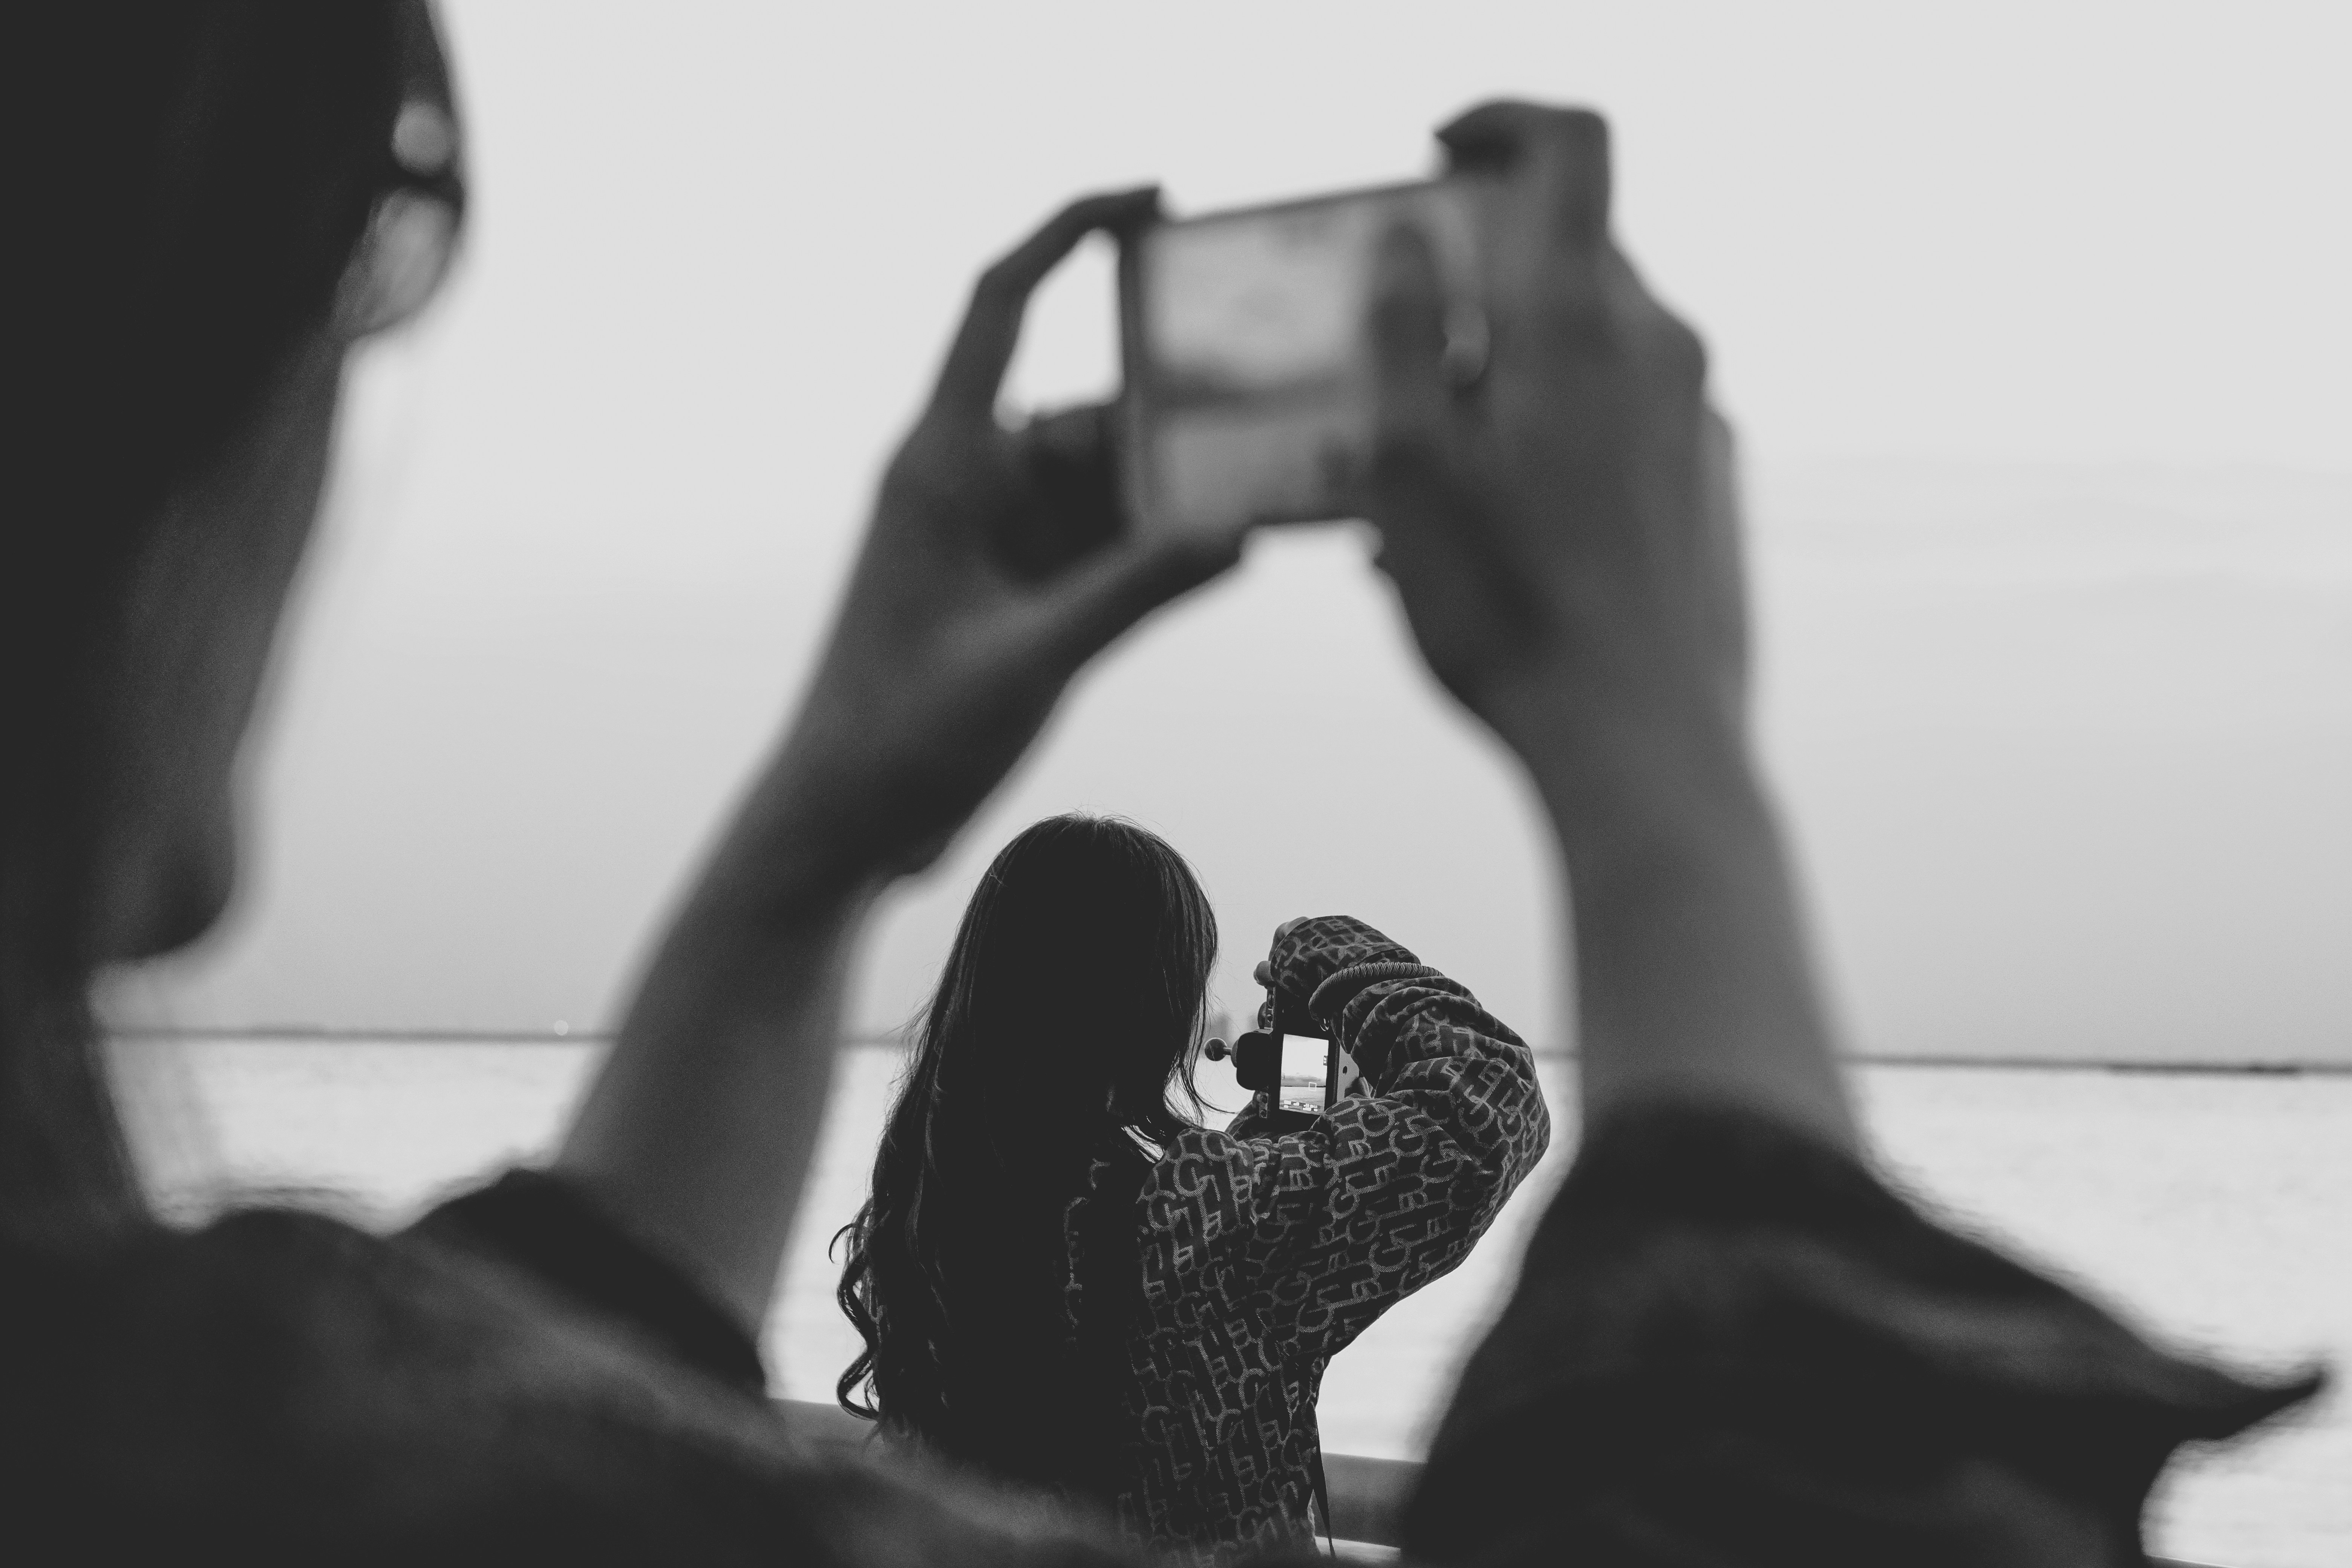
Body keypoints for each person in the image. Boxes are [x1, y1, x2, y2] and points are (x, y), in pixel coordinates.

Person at [0, 0, 2313, 1559]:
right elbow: (1534, 1174)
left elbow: (515, 1406)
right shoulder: (1218, 1222)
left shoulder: (903, 1224)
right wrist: (1648, 751)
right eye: (374, 250)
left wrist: (809, 849)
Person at [1348, 104, 2323, 1564]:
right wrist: (1650, 736)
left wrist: (856, 836)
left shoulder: (934, 1319)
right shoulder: (1225, 1226)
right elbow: (1717, 1417)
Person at [833, 815, 1547, 1561]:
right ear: (1150, 1003)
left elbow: (1181, 1254)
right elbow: (1490, 1107)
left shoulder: (928, 1201)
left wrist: (1289, 1103)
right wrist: (1325, 952)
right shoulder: (1208, 1215)